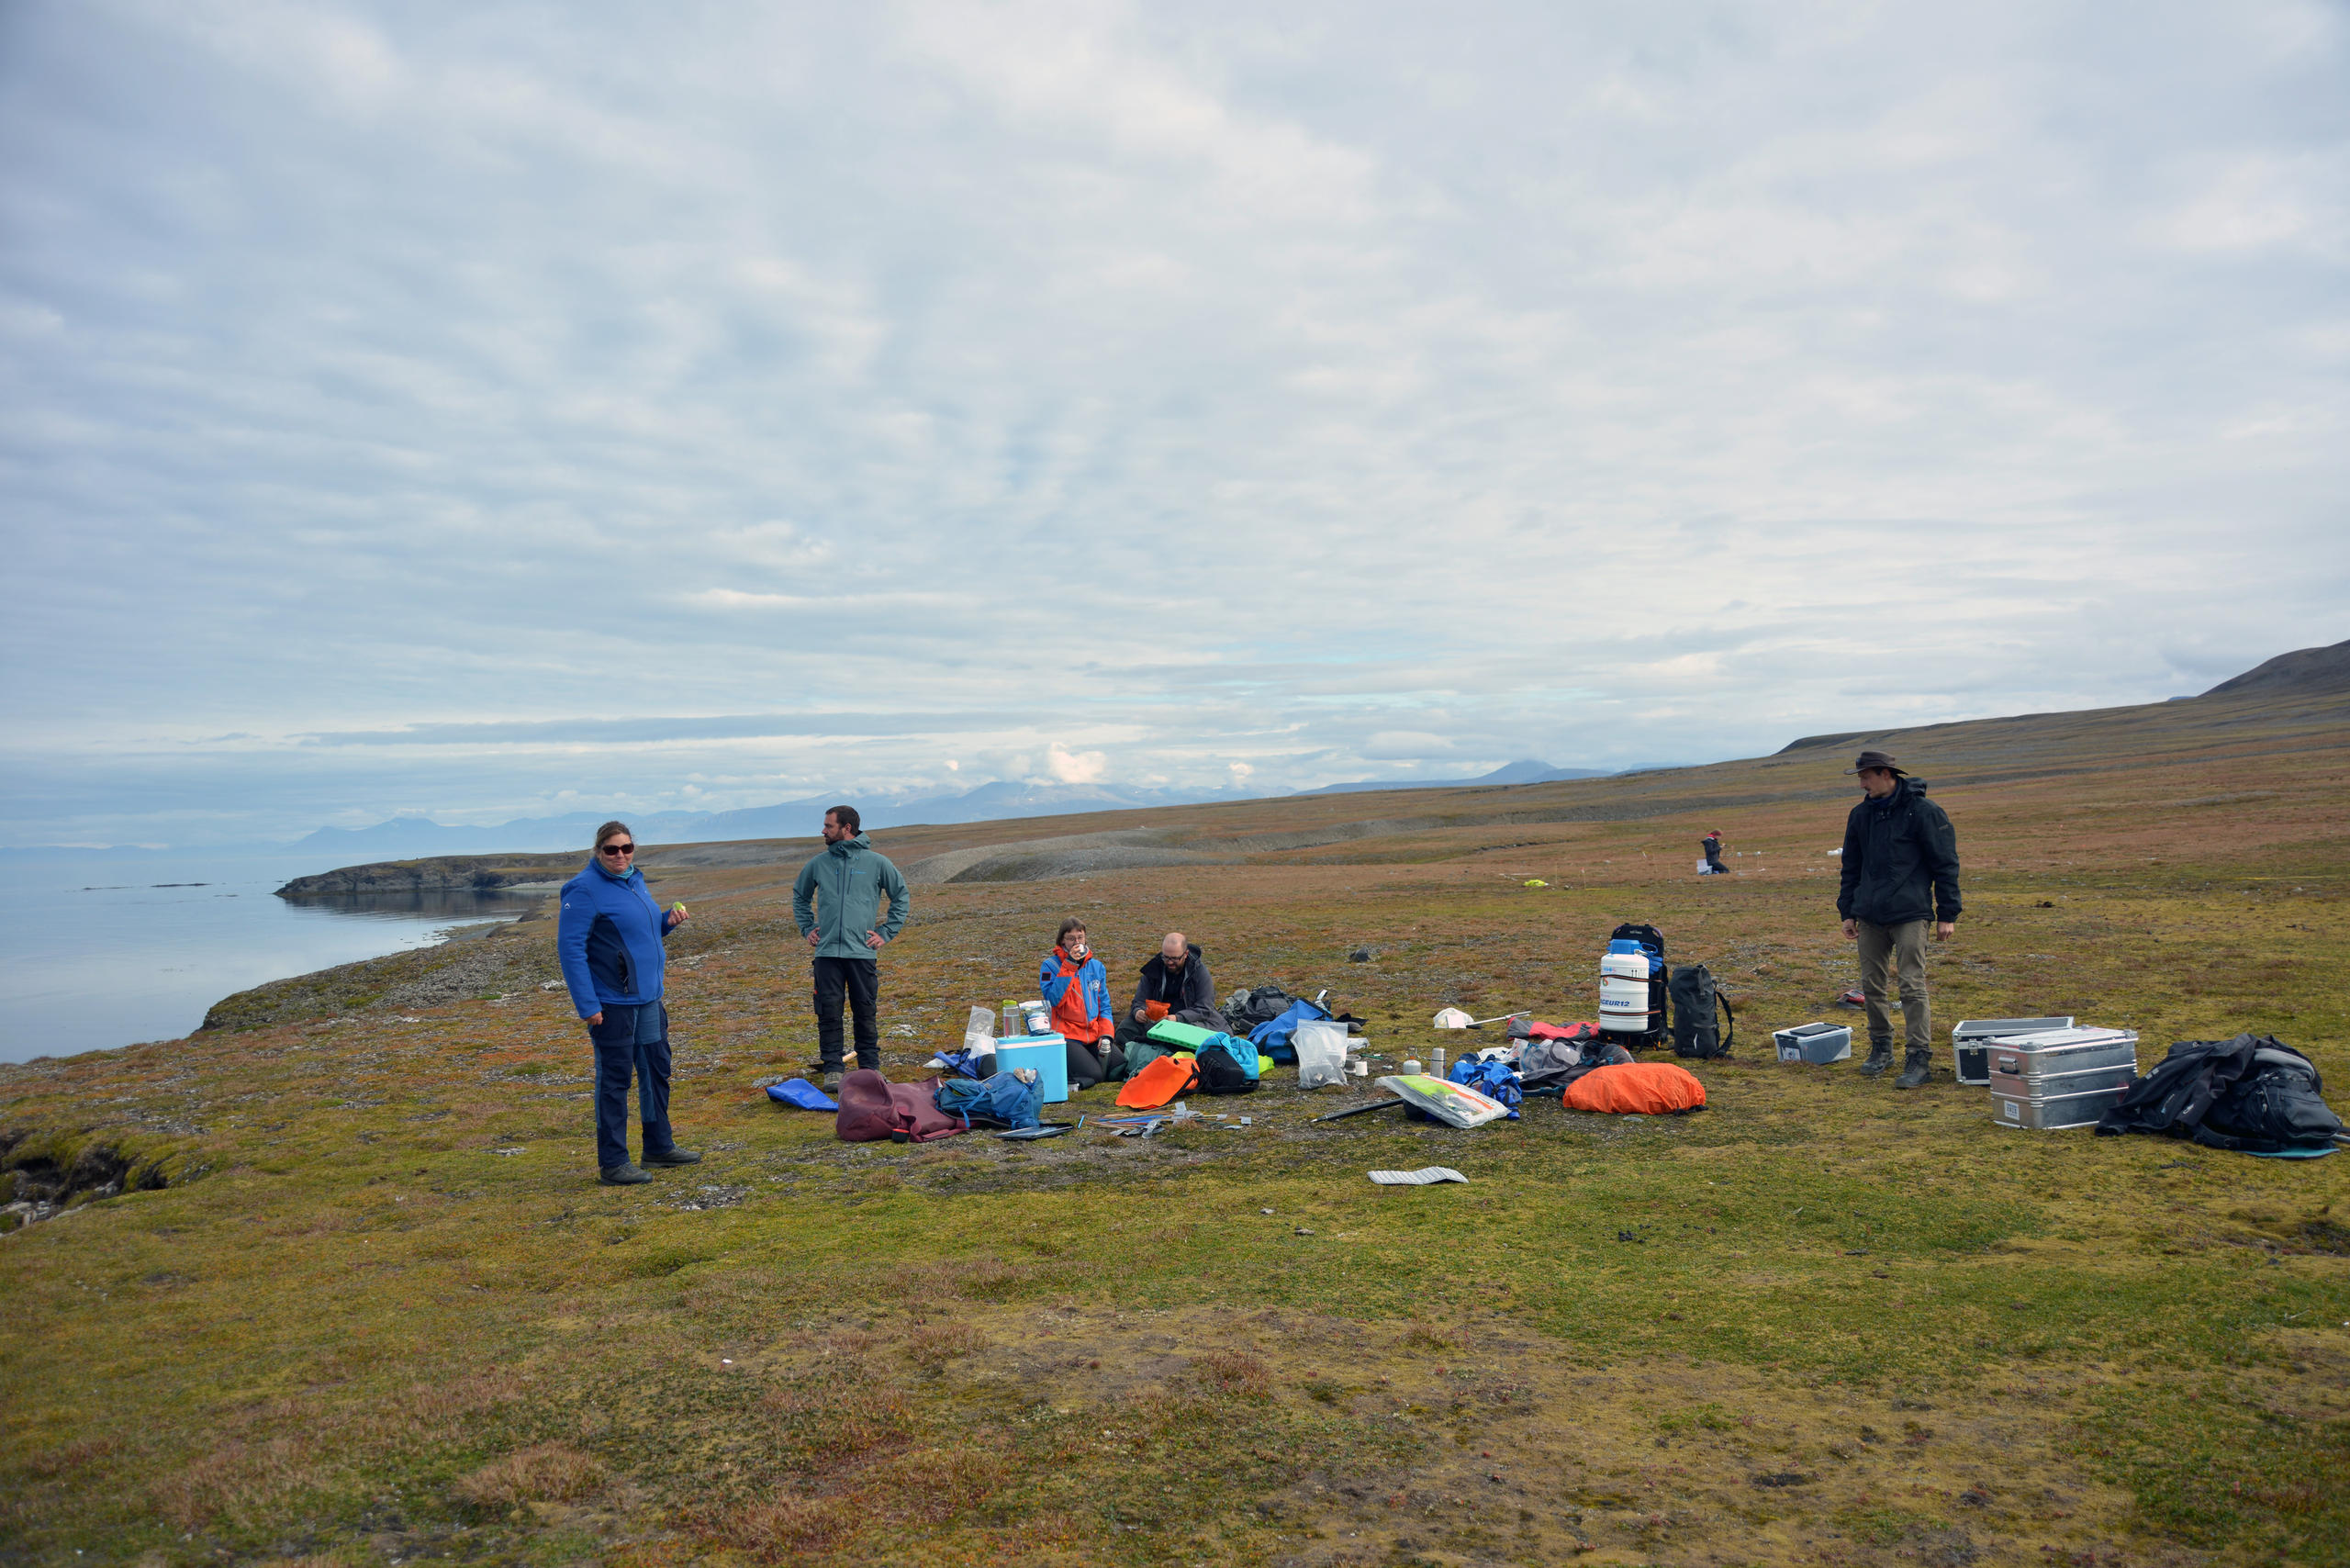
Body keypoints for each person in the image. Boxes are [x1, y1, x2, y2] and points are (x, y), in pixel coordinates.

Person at [557, 821, 699, 1184]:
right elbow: (570, 951)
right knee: (615, 1080)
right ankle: (614, 1163)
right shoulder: (583, 889)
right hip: (612, 1003)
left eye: (627, 848)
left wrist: (666, 921)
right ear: (598, 851)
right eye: (612, 850)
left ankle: (658, 1147)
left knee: (656, 1071)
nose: (620, 855)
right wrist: (587, 1006)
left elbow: (643, 931)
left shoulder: (635, 880)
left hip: (649, 999)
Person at [1837, 750, 1962, 1089]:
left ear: (1886, 774)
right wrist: (1847, 911)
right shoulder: (1860, 815)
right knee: (1872, 985)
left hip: (1910, 913)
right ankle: (1881, 1049)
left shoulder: (1924, 812)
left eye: (1865, 776)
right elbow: (1851, 866)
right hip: (1870, 915)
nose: (1861, 783)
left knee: (1911, 984)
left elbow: (1945, 863)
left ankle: (1919, 1058)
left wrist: (1947, 914)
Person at [792, 804, 910, 1092]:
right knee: (829, 1012)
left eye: (828, 826)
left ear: (847, 828)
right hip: (827, 953)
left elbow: (901, 896)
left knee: (865, 1011)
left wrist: (885, 932)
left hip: (862, 953)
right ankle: (833, 1069)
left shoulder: (877, 863)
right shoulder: (819, 863)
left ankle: (869, 1068)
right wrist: (808, 928)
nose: (823, 830)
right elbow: (800, 896)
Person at [1112, 932, 1228, 1074]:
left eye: (1175, 958)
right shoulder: (1154, 969)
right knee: (1125, 1028)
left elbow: (1205, 1008)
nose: (1169, 962)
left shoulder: (1199, 973)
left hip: (1189, 1022)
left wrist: (1177, 1018)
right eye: (1166, 957)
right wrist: (1139, 1011)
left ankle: (1159, 1050)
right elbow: (1139, 1000)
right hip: (1158, 1022)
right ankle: (1156, 1049)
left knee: (1201, 1037)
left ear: (1186, 954)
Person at [1039, 917, 1120, 1090]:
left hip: (1092, 1033)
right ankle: (1068, 1082)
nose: (1076, 942)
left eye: (1080, 937)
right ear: (1062, 940)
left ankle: (1082, 1069)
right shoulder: (1050, 966)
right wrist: (1069, 966)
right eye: (1071, 938)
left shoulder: (1096, 967)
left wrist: (1105, 1035)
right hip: (1066, 1036)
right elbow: (1054, 1001)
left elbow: (1104, 1006)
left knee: (1118, 1066)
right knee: (1095, 1075)